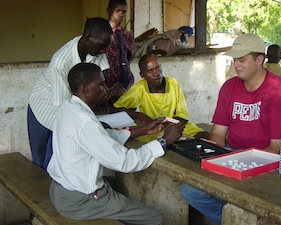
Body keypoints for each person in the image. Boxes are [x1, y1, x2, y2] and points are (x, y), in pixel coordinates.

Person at [180, 33, 281, 225]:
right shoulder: (229, 87)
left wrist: (236, 163)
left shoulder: (279, 90)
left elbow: (277, 148)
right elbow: (218, 133)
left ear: (259, 60)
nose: (236, 65)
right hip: (232, 156)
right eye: (234, 59)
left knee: (245, 200)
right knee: (189, 190)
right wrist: (217, 156)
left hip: (268, 165)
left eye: (242, 60)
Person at [47, 62, 184, 224]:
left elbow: (101, 137)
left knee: (121, 185)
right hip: (81, 201)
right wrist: (163, 141)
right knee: (154, 218)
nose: (105, 88)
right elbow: (123, 162)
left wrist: (144, 130)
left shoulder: (68, 107)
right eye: (100, 84)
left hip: (59, 190)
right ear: (85, 88)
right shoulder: (85, 121)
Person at [27, 17, 113, 170]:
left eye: (106, 46)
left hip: (65, 108)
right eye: (102, 46)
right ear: (88, 37)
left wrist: (101, 102)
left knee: (57, 161)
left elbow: (96, 83)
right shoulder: (61, 61)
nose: (104, 51)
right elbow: (64, 109)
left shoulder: (98, 50)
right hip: (43, 108)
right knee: (41, 163)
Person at [113, 53, 209, 141]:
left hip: (175, 126)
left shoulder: (173, 84)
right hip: (152, 130)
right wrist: (140, 115)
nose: (156, 74)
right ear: (142, 75)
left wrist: (171, 124)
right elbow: (117, 108)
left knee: (205, 136)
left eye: (157, 68)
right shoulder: (139, 88)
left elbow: (182, 114)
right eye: (150, 71)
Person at [95, 0, 135, 113]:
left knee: (125, 115)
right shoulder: (100, 33)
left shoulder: (127, 35)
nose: (121, 15)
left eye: (124, 12)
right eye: (118, 11)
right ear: (109, 11)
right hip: (105, 84)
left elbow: (130, 57)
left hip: (123, 84)